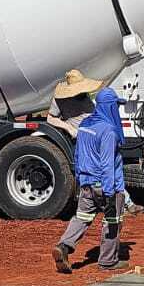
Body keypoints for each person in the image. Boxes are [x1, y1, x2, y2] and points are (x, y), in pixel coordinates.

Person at [46, 68, 143, 215]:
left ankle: (125, 203)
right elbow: (50, 118)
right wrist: (68, 128)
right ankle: (117, 205)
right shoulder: (59, 99)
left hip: (96, 134)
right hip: (83, 137)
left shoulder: (84, 96)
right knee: (103, 168)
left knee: (109, 166)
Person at [54, 87, 128, 273]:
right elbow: (107, 165)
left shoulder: (86, 124)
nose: (117, 109)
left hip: (86, 184)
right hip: (105, 185)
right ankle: (107, 261)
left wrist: (80, 180)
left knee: (82, 218)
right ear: (110, 106)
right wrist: (110, 194)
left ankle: (63, 246)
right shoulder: (109, 132)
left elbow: (78, 154)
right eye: (115, 105)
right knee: (112, 221)